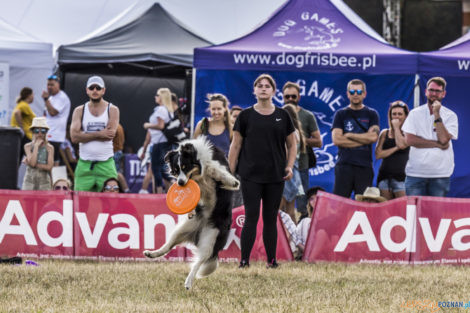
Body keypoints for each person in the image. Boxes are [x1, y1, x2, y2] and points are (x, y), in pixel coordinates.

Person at [228, 73, 297, 269]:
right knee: (250, 217)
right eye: (260, 85)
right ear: (254, 90)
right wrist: (230, 174)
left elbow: (292, 145)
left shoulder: (283, 116)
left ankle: (271, 261)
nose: (264, 88)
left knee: (270, 218)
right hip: (250, 175)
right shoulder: (245, 115)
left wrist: (289, 166)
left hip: (275, 175)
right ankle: (244, 261)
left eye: (268, 85)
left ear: (274, 91)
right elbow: (235, 146)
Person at [402, 77, 458, 197]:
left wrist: (437, 114)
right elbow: (410, 140)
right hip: (415, 173)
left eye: (437, 91)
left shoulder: (450, 115)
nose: (434, 94)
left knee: (435, 213)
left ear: (444, 94)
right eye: (431, 90)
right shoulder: (414, 113)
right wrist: (437, 144)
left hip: (440, 174)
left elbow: (444, 139)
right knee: (413, 212)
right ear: (426, 91)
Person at [331, 79, 380, 198]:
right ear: (347, 94)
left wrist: (349, 135)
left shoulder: (372, 114)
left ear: (364, 94)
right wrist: (363, 139)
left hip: (364, 167)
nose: (355, 94)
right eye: (352, 91)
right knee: (340, 203)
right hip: (344, 165)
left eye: (359, 91)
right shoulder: (340, 114)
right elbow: (337, 140)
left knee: (363, 205)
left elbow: (373, 137)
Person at [70, 76, 120, 192]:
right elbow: (74, 137)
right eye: (92, 88)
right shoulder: (80, 110)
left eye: (98, 88)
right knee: (80, 204)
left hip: (106, 164)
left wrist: (84, 135)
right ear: (87, 90)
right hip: (84, 164)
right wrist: (99, 134)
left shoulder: (112, 109)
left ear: (103, 90)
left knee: (111, 203)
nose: (95, 90)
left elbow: (109, 135)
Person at [282, 82, 322, 220]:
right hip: (282, 169)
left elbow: (319, 141)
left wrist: (297, 140)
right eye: (287, 96)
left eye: (294, 96)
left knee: (301, 206)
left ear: (299, 96)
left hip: (301, 167)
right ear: (283, 97)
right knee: (282, 207)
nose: (290, 99)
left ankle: (300, 237)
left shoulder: (308, 115)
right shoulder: (276, 114)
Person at [375, 101, 410, 200]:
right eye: (394, 114)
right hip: (384, 177)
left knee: (402, 208)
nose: (397, 116)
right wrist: (396, 147)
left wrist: (396, 128)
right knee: (385, 209)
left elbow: (402, 145)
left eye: (400, 114)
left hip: (401, 178)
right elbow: (378, 154)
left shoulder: (409, 132)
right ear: (390, 116)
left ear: (405, 116)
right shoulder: (384, 133)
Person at [143, 88, 176, 194]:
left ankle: (159, 191)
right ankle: (171, 184)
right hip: (164, 142)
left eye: (157, 95)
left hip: (160, 143)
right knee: (161, 169)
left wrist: (148, 125)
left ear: (162, 97)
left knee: (155, 168)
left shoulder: (161, 109)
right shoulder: (167, 109)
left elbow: (160, 126)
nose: (155, 97)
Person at [279, 104, 305, 223]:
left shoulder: (287, 131)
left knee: (278, 210)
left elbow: (283, 151)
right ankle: (293, 239)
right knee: (290, 211)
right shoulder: (297, 132)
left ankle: (280, 239)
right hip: (295, 174)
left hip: (285, 171)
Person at [42, 74, 71, 166]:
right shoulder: (51, 98)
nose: (49, 87)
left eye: (52, 85)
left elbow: (53, 113)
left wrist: (46, 99)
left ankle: (55, 179)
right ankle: (48, 179)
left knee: (53, 161)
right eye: (48, 85)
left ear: (58, 85)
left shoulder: (62, 97)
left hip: (55, 135)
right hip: (48, 133)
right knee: (45, 160)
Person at [22, 117, 54, 190]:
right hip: (29, 180)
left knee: (44, 201)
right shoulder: (27, 146)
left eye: (43, 131)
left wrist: (30, 162)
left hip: (44, 181)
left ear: (46, 132)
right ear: (33, 132)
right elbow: (32, 163)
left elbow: (49, 167)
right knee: (27, 200)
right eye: (36, 131)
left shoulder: (50, 148)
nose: (39, 134)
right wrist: (36, 146)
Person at [295, 186, 325, 260]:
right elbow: (298, 235)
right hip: (305, 247)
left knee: (321, 233)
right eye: (311, 199)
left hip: (324, 247)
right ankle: (306, 254)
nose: (315, 201)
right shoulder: (305, 217)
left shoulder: (330, 216)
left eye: (317, 197)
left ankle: (310, 256)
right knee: (306, 221)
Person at [10, 87, 36, 160]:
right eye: (33, 94)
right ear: (29, 95)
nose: (33, 97)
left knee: (18, 160)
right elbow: (17, 113)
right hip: (26, 137)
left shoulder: (21, 104)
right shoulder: (24, 105)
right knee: (34, 159)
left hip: (23, 137)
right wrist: (22, 128)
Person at [113, 123, 130, 193]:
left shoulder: (114, 127)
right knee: (117, 172)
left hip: (115, 152)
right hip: (118, 151)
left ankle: (126, 190)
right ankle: (125, 190)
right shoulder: (120, 126)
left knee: (117, 173)